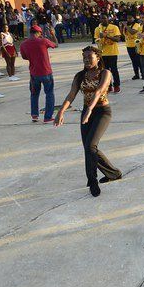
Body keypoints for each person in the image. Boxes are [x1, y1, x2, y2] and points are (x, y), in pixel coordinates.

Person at [55, 46, 121, 197]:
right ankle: (114, 173)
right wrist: (61, 111)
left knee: (91, 145)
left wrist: (90, 109)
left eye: (89, 57)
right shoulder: (80, 76)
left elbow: (99, 91)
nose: (86, 60)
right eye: (84, 57)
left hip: (102, 112)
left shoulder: (105, 73)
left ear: (98, 57)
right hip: (87, 112)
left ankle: (92, 181)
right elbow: (71, 95)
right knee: (88, 147)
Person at [21, 25, 57, 122]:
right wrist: (53, 35)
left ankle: (34, 115)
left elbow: (24, 57)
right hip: (46, 72)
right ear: (38, 33)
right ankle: (48, 117)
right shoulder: (43, 41)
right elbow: (56, 44)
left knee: (34, 94)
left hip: (34, 73)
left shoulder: (24, 44)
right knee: (49, 93)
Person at [94, 16, 122, 93]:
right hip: (102, 53)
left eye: (105, 18)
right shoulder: (97, 29)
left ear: (108, 19)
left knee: (114, 70)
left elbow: (118, 39)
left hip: (112, 52)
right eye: (102, 18)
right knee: (105, 71)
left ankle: (116, 85)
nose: (103, 20)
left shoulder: (114, 27)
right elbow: (96, 39)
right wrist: (99, 39)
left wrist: (107, 36)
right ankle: (108, 86)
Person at [123, 15, 142, 80]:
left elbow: (132, 32)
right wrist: (121, 26)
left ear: (134, 18)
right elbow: (123, 34)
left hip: (136, 45)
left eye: (130, 18)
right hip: (129, 45)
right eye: (128, 18)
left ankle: (143, 74)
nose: (129, 19)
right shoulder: (127, 26)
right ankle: (136, 74)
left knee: (138, 61)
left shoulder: (136, 24)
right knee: (133, 61)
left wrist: (125, 25)